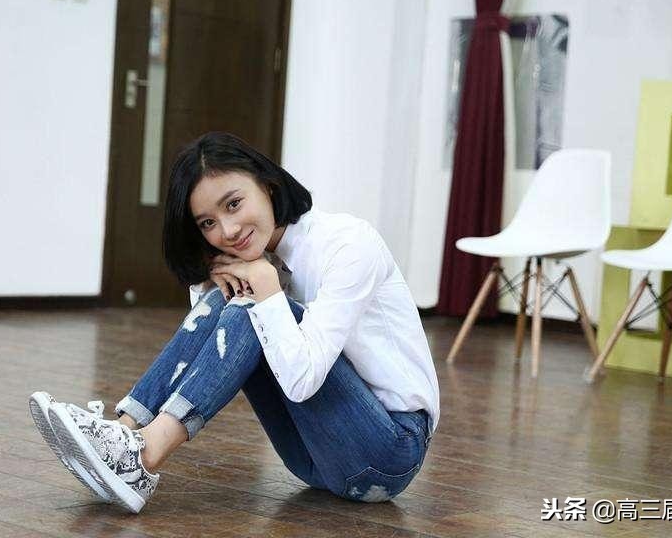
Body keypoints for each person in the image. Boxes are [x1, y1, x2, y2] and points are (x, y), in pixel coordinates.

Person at [29, 131, 440, 513]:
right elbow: (212, 347)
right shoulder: (255, 257)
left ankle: (145, 454)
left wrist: (265, 287)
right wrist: (215, 279)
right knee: (236, 302)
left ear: (269, 186)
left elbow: (302, 381)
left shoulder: (348, 245)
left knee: (251, 308)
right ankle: (124, 430)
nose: (227, 230)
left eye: (233, 204)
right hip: (311, 460)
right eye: (207, 223)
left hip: (389, 453)